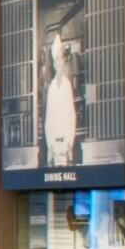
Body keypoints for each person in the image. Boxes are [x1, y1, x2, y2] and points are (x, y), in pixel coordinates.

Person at [41, 26, 82, 168]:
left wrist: (70, 142)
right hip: (54, 142)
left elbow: (71, 115)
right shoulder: (51, 88)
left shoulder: (67, 85)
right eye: (56, 59)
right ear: (53, 63)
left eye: (61, 59)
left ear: (63, 62)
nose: (59, 62)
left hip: (66, 142)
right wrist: (50, 145)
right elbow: (49, 119)